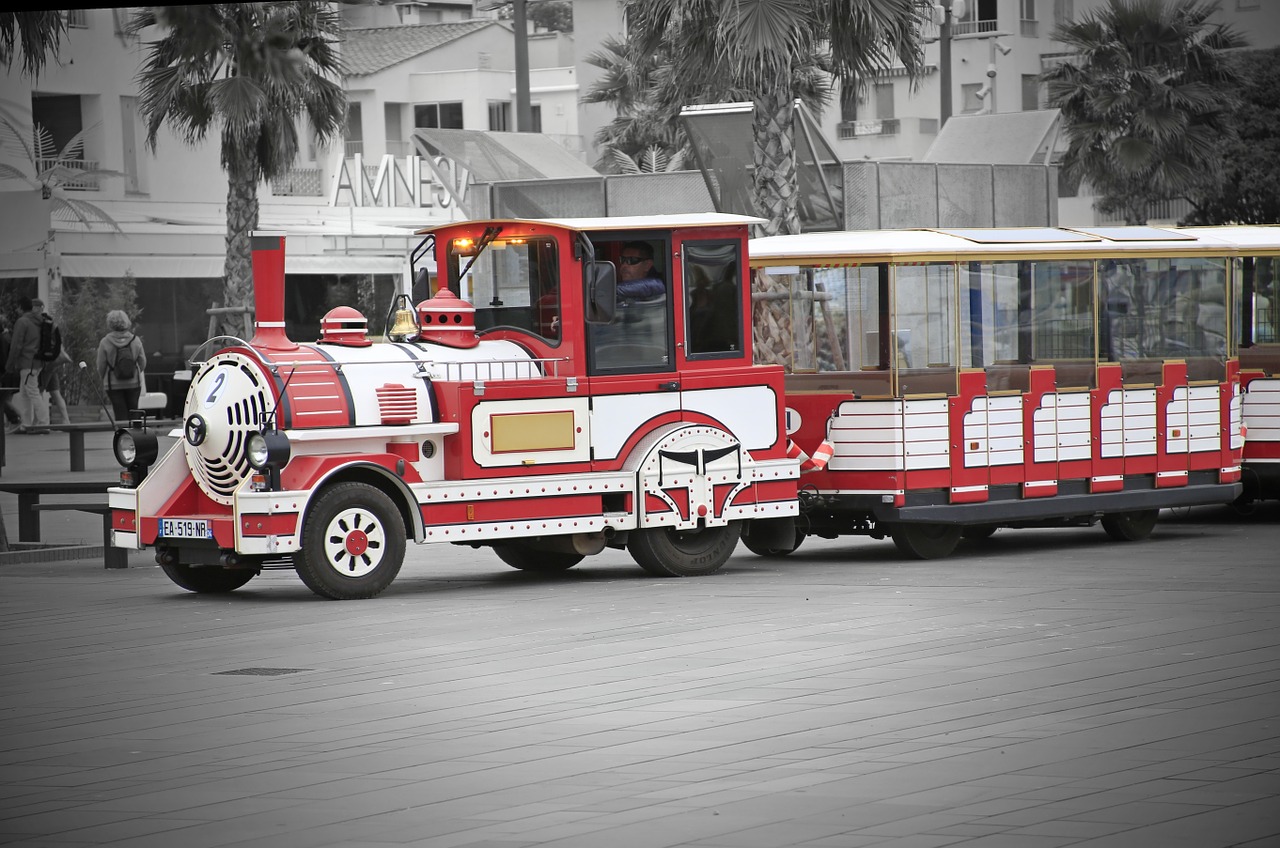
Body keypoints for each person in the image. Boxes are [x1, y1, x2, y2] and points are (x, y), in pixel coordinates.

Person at [2, 297, 51, 435]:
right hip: (37, 361)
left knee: (32, 392)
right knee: (25, 393)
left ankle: (43, 423)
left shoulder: (23, 322)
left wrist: (10, 365)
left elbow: (16, 345)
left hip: (27, 362)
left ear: (20, 307)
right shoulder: (39, 321)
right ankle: (26, 424)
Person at [96, 309, 147, 423]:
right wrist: (136, 372)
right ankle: (136, 438)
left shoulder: (105, 342)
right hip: (134, 383)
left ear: (110, 323)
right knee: (134, 413)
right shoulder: (135, 340)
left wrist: (103, 377)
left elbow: (101, 365)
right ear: (126, 322)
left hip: (113, 384)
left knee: (120, 415)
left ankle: (123, 438)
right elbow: (143, 361)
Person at [40, 345, 73, 425]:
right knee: (56, 393)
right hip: (53, 365)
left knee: (38, 393)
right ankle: (66, 420)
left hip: (45, 365)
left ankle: (41, 421)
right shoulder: (53, 334)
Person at [1, 314, 22, 434]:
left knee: (3, 399)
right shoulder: (8, 337)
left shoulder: (3, 339)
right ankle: (12, 420)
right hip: (9, 372)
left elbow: (3, 358)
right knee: (5, 398)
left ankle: (15, 418)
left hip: (5, 372)